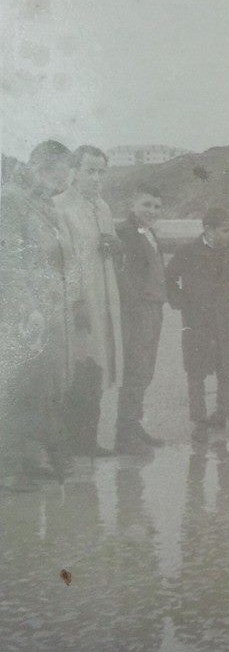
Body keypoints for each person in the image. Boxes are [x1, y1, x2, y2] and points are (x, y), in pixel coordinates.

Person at [0, 140, 73, 489]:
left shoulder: (44, 204)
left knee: (42, 384)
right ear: (41, 167)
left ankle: (32, 457)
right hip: (23, 312)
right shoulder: (11, 199)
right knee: (21, 385)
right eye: (59, 176)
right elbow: (9, 261)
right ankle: (14, 466)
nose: (62, 185)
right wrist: (27, 307)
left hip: (49, 309)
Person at [165, 206, 229, 441]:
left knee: (228, 371)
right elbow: (168, 278)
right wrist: (180, 301)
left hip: (227, 321)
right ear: (208, 230)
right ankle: (199, 422)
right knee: (196, 372)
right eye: (225, 231)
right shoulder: (187, 251)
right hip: (197, 323)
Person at [53, 145, 124, 457]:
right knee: (76, 367)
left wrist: (115, 246)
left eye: (101, 172)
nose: (96, 178)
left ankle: (89, 440)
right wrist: (75, 302)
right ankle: (68, 444)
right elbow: (62, 262)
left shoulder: (103, 207)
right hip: (78, 301)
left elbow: (106, 254)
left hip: (104, 297)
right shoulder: (60, 208)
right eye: (90, 171)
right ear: (74, 171)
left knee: (98, 365)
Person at [113, 185, 167, 455]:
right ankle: (124, 434)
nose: (152, 211)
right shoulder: (124, 233)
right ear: (132, 204)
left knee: (146, 370)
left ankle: (134, 426)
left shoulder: (150, 233)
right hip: (138, 311)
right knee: (135, 370)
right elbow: (124, 277)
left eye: (157, 206)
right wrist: (135, 308)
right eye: (146, 205)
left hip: (154, 307)